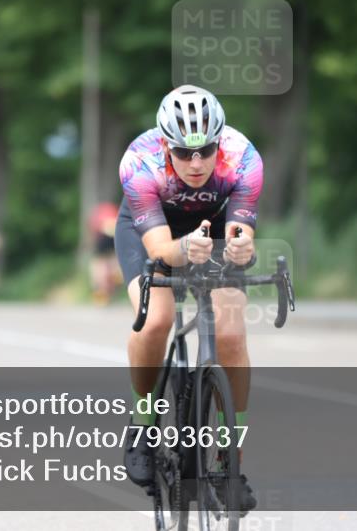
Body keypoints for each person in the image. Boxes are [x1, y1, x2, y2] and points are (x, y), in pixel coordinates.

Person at [116, 85, 261, 511]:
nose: (196, 163)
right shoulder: (139, 161)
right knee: (156, 318)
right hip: (151, 230)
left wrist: (239, 246)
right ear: (165, 145)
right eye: (183, 153)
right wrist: (182, 251)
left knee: (231, 334)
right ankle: (143, 424)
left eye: (206, 150)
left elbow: (242, 230)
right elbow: (162, 249)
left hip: (213, 227)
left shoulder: (244, 157)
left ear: (220, 141)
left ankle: (230, 460)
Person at [88, 202, 121, 304]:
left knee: (101, 266)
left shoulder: (101, 217)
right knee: (110, 265)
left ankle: (104, 290)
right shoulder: (111, 213)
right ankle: (107, 287)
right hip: (110, 240)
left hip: (104, 240)